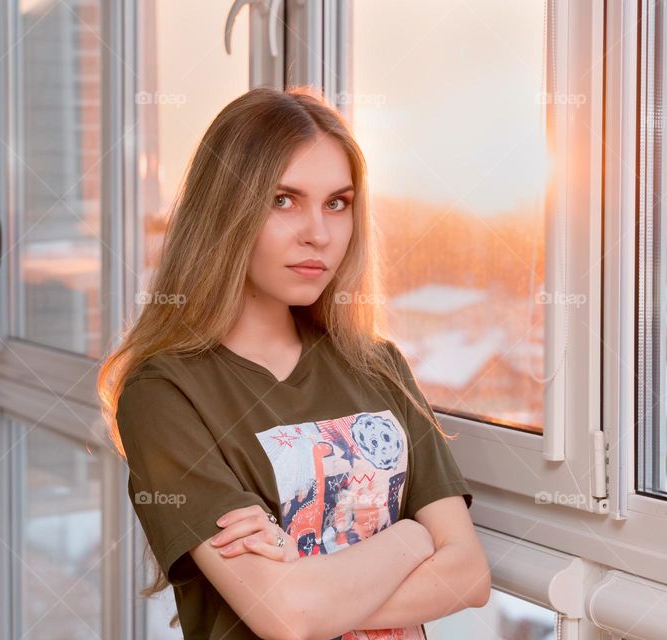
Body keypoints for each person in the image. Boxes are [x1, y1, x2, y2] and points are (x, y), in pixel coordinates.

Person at [97, 86, 490, 640]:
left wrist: (311, 591)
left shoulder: (376, 364)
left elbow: (468, 577)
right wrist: (412, 539)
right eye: (283, 200)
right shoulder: (163, 395)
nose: (319, 234)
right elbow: (289, 616)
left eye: (337, 202)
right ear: (224, 212)